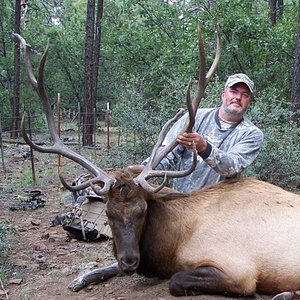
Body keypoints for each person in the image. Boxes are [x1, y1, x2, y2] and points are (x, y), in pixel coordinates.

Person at [143, 73, 264, 193]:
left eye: (245, 95)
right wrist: (142, 170)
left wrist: (204, 147)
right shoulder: (195, 117)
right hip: (179, 201)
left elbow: (232, 167)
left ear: (249, 102)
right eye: (234, 91)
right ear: (223, 95)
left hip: (218, 206)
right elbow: (167, 153)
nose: (238, 97)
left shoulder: (252, 134)